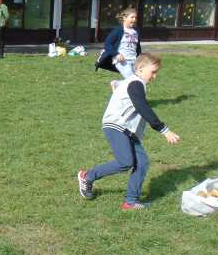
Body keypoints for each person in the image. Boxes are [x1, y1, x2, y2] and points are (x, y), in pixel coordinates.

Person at [77, 53, 181, 210]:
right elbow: (142, 107)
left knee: (142, 163)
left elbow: (125, 93)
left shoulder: (134, 82)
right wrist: (164, 130)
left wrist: (116, 85)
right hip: (117, 126)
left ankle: (131, 201)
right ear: (140, 69)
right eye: (153, 72)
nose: (155, 76)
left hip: (128, 130)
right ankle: (87, 176)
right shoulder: (136, 83)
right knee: (126, 162)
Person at [96, 7, 142, 88]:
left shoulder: (136, 31)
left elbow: (137, 47)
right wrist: (116, 54)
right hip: (122, 61)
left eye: (135, 18)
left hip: (133, 60)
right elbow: (107, 44)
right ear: (124, 18)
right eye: (132, 17)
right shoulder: (118, 31)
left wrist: (140, 58)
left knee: (138, 79)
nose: (134, 20)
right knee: (133, 81)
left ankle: (117, 84)